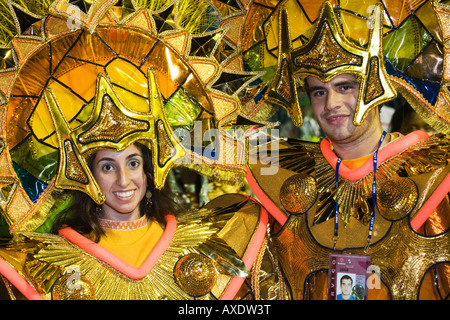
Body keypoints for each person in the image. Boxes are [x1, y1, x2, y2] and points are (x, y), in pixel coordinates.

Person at [0, 0, 287, 300]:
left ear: (151, 168)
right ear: (84, 173)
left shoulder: (215, 241)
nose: (124, 180)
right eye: (108, 166)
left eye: (133, 163)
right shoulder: (42, 268)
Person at [245, 1, 450, 300]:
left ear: (375, 87)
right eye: (319, 92)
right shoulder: (285, 175)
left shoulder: (434, 173)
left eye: (344, 87)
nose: (331, 105)